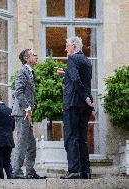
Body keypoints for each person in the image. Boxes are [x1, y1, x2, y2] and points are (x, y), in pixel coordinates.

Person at [56, 36, 94, 179]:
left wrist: (85, 97)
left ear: (73, 46)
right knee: (82, 138)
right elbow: (77, 77)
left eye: (67, 46)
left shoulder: (72, 59)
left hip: (73, 103)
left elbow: (77, 80)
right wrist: (65, 73)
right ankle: (85, 171)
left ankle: (74, 171)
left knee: (71, 138)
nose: (65, 49)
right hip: (84, 106)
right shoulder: (86, 61)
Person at [12, 49, 46, 179]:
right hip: (22, 113)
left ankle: (30, 171)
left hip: (26, 113)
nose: (36, 55)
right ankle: (16, 171)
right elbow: (18, 92)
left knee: (31, 144)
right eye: (33, 54)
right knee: (21, 142)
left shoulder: (30, 72)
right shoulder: (22, 72)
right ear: (26, 58)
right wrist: (27, 108)